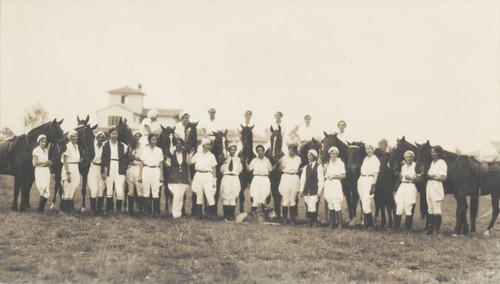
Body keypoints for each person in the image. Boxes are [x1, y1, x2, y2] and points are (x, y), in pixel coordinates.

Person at [101, 128, 129, 213]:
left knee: (119, 190)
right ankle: (109, 209)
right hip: (109, 167)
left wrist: (124, 169)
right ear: (109, 134)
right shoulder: (105, 145)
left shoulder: (123, 146)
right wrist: (104, 171)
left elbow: (126, 158)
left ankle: (118, 210)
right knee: (109, 189)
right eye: (113, 134)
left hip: (119, 167)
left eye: (116, 134)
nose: (114, 135)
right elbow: (103, 159)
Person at [189, 138, 218, 219]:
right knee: (199, 194)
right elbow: (189, 162)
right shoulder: (197, 155)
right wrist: (190, 155)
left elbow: (214, 168)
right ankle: (199, 214)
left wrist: (214, 179)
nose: (207, 146)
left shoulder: (211, 156)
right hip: (198, 175)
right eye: (205, 145)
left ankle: (212, 214)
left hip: (208, 175)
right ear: (202, 145)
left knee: (209, 194)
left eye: (208, 145)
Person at [139, 133, 164, 217]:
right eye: (153, 139)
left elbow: (161, 163)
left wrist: (161, 175)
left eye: (156, 140)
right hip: (146, 170)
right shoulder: (144, 149)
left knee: (155, 191)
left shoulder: (159, 150)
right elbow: (141, 163)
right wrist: (140, 175)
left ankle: (155, 212)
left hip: (156, 170)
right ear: (149, 140)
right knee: (146, 190)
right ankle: (146, 211)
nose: (155, 141)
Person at [245, 144, 274, 216]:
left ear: (263, 151)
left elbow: (270, 170)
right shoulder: (254, 160)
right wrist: (245, 162)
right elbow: (249, 170)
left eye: (261, 150)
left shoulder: (267, 160)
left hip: (265, 178)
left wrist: (277, 164)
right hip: (256, 178)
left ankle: (264, 214)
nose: (260, 152)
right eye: (258, 151)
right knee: (255, 194)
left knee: (264, 195)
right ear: (256, 152)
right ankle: (253, 213)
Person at [166, 139, 191, 219]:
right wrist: (165, 159)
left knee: (180, 196)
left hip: (183, 177)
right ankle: (175, 214)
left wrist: (189, 176)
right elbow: (168, 164)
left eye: (180, 143)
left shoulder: (185, 154)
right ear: (175, 144)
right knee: (176, 195)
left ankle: (179, 213)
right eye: (177, 143)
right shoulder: (171, 154)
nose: (179, 145)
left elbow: (187, 165)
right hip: (174, 176)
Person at [425, 145, 447, 235]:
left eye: (433, 152)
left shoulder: (442, 163)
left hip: (436, 185)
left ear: (438, 153)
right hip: (429, 185)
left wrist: (432, 176)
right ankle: (430, 229)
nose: (432, 154)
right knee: (430, 207)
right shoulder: (433, 162)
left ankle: (436, 229)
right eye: (431, 152)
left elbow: (443, 177)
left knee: (436, 206)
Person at [299, 149, 325, 227]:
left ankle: (316, 221)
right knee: (308, 204)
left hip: (314, 189)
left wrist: (320, 190)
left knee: (312, 205)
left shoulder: (319, 167)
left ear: (314, 156)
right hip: (307, 189)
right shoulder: (306, 167)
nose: (308, 157)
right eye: (308, 155)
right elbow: (303, 179)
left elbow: (321, 179)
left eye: (310, 155)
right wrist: (301, 190)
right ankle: (311, 222)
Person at [357, 143, 380, 229]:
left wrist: (373, 185)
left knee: (366, 202)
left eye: (369, 148)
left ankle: (371, 224)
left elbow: (376, 173)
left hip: (369, 180)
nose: (367, 150)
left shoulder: (376, 160)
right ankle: (367, 224)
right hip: (361, 179)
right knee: (363, 201)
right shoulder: (365, 159)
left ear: (373, 149)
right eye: (366, 149)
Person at [394, 150, 418, 231]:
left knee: (408, 206)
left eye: (410, 157)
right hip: (403, 186)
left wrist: (411, 178)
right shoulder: (403, 167)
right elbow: (401, 177)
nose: (408, 158)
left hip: (411, 185)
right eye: (407, 157)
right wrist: (399, 175)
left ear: (413, 157)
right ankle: (396, 227)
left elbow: (418, 178)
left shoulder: (416, 166)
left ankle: (407, 228)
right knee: (400, 205)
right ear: (405, 158)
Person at [278, 144, 301, 224]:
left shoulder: (298, 159)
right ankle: (284, 218)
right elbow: (280, 169)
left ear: (295, 151)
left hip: (294, 177)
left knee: (293, 198)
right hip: (286, 177)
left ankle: (292, 218)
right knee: (285, 197)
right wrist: (280, 163)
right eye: (289, 150)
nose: (289, 152)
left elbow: (299, 168)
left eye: (291, 150)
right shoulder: (284, 158)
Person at [323, 147, 346, 229]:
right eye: (331, 153)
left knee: (336, 202)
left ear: (337, 154)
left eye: (334, 153)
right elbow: (325, 174)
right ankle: (332, 222)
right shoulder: (328, 163)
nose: (333, 155)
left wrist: (334, 176)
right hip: (328, 183)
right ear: (329, 154)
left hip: (336, 183)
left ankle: (340, 223)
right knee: (330, 202)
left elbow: (343, 175)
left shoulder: (340, 163)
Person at [220, 143, 243, 221]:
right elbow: (221, 169)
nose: (233, 151)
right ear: (228, 150)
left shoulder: (238, 159)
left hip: (235, 177)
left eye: (234, 150)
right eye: (231, 149)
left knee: (233, 196)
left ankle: (231, 215)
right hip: (226, 177)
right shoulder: (225, 158)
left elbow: (240, 169)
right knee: (226, 195)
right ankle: (226, 216)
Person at [61, 130, 81, 214]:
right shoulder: (67, 146)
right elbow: (65, 160)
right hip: (68, 167)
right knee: (67, 187)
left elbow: (76, 158)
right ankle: (64, 209)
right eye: (73, 136)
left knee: (73, 188)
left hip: (75, 168)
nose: (75, 138)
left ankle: (70, 209)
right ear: (69, 137)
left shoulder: (76, 146)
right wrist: (68, 173)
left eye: (76, 136)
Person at [87, 131, 106, 215]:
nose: (100, 139)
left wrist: (104, 171)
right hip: (93, 168)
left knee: (101, 188)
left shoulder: (105, 147)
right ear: (96, 138)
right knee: (94, 189)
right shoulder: (92, 147)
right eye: (99, 137)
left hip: (101, 168)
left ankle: (99, 209)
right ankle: (92, 209)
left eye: (102, 137)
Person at [32, 134, 52, 212]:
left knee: (45, 190)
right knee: (44, 190)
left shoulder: (46, 150)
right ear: (39, 142)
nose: (44, 143)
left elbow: (46, 162)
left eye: (45, 141)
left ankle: (40, 210)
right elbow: (35, 162)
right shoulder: (36, 150)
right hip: (39, 170)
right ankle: (40, 210)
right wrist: (45, 162)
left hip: (46, 170)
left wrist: (49, 163)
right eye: (42, 141)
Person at [126, 131, 143, 216]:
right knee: (130, 190)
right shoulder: (130, 146)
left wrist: (135, 157)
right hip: (130, 167)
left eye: (139, 136)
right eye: (136, 136)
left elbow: (143, 159)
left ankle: (140, 210)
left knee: (139, 189)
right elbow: (127, 156)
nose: (137, 138)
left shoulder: (143, 147)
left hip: (139, 167)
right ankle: (130, 210)